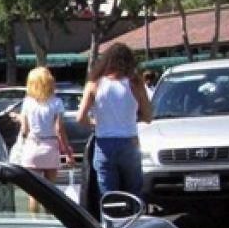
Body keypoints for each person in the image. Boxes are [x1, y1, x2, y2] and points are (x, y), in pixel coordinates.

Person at [77, 43, 153, 200]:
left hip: (104, 143)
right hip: (129, 141)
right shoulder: (135, 83)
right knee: (133, 192)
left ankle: (111, 215)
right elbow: (148, 116)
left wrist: (96, 122)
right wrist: (132, 117)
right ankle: (133, 214)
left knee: (108, 196)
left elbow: (80, 118)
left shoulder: (94, 84)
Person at [12, 67, 73, 213]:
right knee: (50, 191)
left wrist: (19, 120)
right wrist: (67, 152)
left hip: (32, 147)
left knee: (34, 193)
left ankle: (34, 220)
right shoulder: (56, 103)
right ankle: (49, 218)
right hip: (50, 147)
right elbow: (59, 130)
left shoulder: (27, 102)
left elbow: (25, 129)